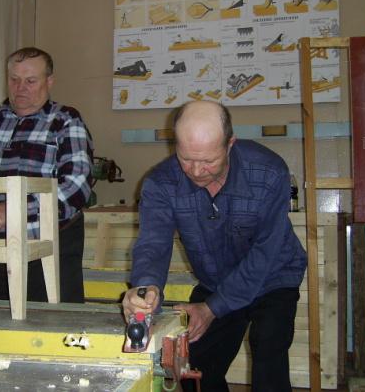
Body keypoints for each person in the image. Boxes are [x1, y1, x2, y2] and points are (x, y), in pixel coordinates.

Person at [122, 100, 307, 391]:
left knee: (268, 351)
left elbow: (264, 254)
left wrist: (211, 309)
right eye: (186, 159)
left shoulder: (269, 172)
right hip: (216, 279)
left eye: (208, 161)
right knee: (193, 365)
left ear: (230, 144)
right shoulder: (160, 183)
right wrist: (146, 288)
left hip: (273, 277)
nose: (196, 171)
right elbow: (152, 244)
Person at [0, 47, 93, 303]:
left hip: (49, 250)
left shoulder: (66, 121)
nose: (20, 88)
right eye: (14, 79)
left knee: (54, 323)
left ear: (49, 81)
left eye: (31, 81)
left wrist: (14, 210)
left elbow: (77, 188)